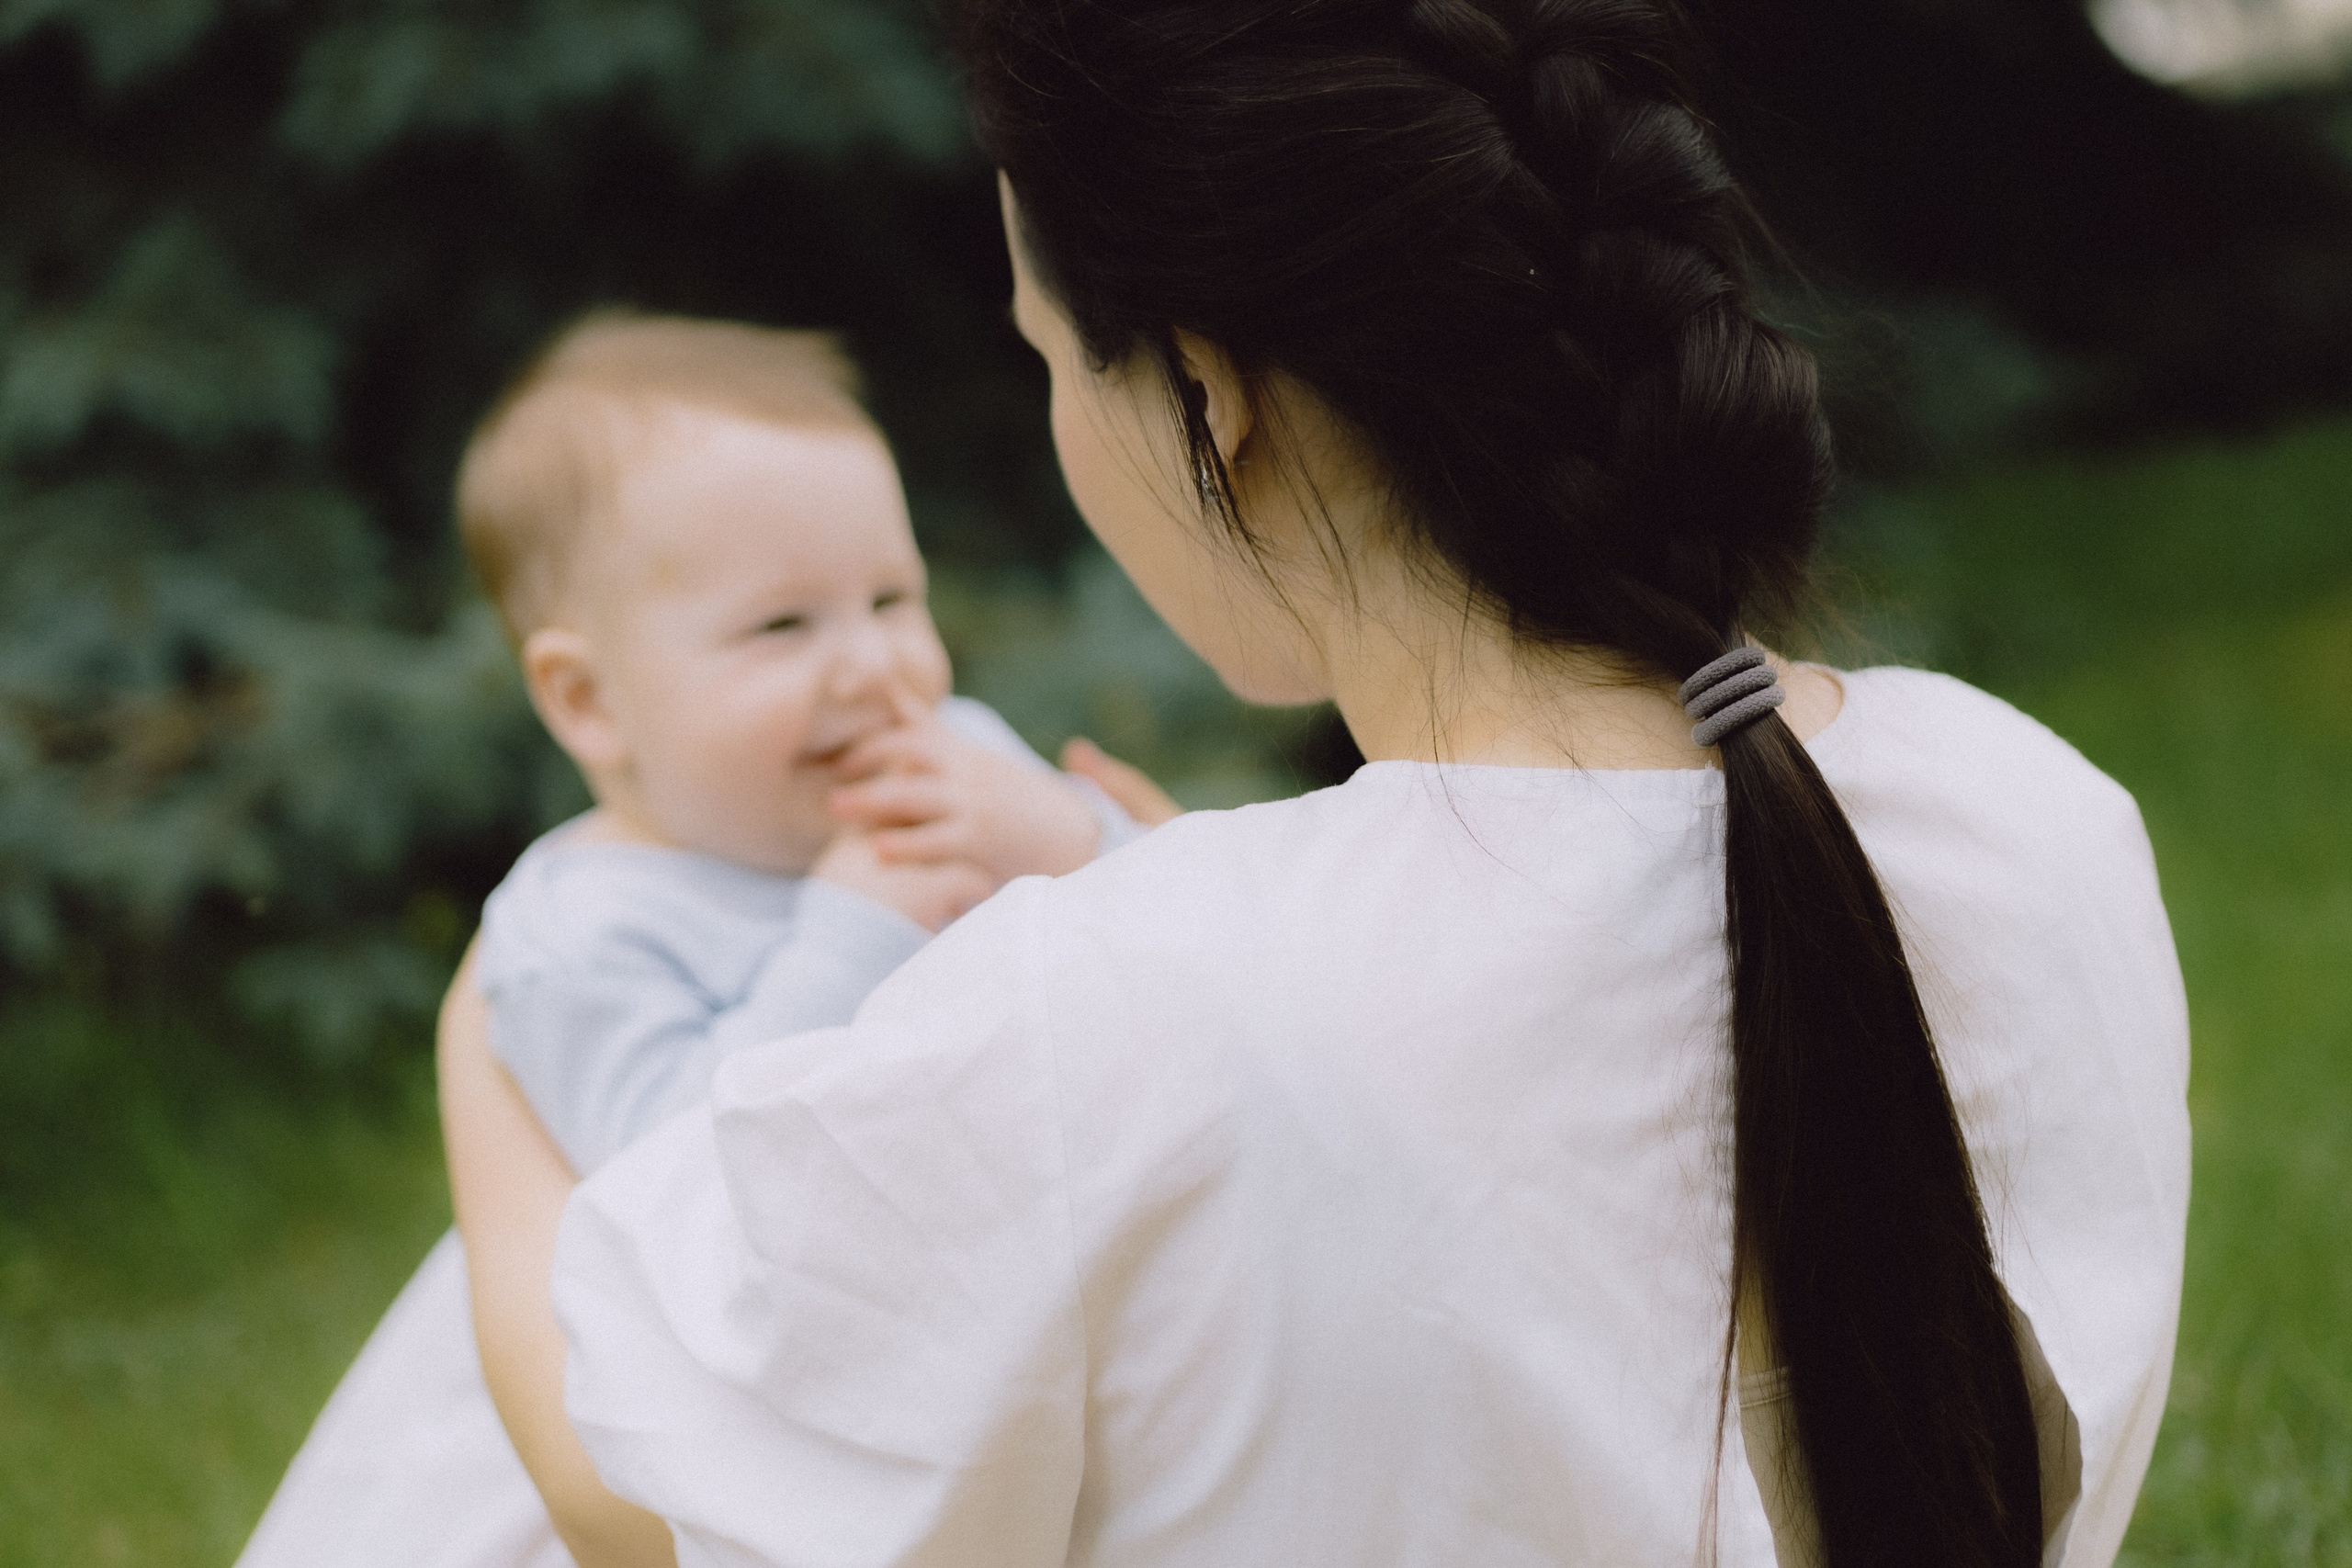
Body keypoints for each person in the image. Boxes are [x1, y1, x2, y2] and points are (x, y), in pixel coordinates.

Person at [444, 5, 2192, 1566]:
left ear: (1207, 393)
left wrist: (493, 1025)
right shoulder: (2034, 809)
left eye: (1052, 357)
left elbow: (638, 1502)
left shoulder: (1111, 1014)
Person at [238, 310, 1149, 1568]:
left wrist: (1068, 830)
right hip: (645, 1442)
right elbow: (677, 1198)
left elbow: (1178, 953)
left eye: (893, 597)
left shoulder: (963, 766)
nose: (876, 665)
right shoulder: (580, 928)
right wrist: (852, 930)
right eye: (785, 628)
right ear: (588, 699)